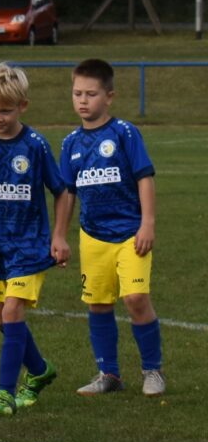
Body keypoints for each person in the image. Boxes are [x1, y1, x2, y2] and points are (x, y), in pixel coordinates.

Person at [0, 64, 67, 416]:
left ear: (23, 106)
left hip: (30, 245)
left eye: (5, 110)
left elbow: (62, 192)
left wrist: (59, 236)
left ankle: (4, 394)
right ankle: (39, 370)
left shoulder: (34, 146)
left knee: (12, 310)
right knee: (1, 320)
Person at [53, 58, 164, 396]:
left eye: (91, 94)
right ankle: (109, 375)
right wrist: (59, 234)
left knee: (135, 298)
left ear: (109, 96)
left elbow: (144, 178)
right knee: (98, 304)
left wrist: (147, 223)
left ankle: (152, 370)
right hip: (93, 237)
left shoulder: (125, 133)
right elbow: (67, 193)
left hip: (131, 234)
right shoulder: (70, 143)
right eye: (77, 94)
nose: (83, 101)